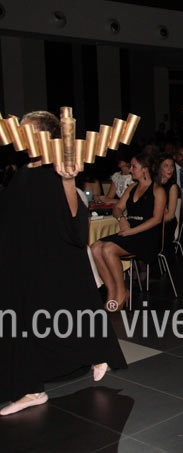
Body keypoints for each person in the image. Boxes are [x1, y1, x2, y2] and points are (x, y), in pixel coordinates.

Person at [0, 111, 126, 416]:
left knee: (53, 314)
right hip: (25, 261)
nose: (20, 136)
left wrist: (69, 181)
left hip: (54, 260)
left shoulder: (57, 168)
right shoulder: (24, 170)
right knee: (35, 321)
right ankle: (36, 385)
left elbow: (75, 221)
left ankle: (37, 386)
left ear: (45, 137)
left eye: (26, 131)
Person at [91, 152, 166, 311]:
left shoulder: (158, 190)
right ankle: (112, 291)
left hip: (147, 235)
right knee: (95, 247)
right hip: (129, 230)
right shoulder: (132, 187)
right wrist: (122, 219)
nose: (130, 170)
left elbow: (157, 219)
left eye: (134, 166)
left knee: (108, 249)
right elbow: (117, 208)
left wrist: (132, 231)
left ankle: (122, 292)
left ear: (145, 169)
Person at [156, 153, 179, 244]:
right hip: (155, 220)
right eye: (166, 166)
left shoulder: (173, 187)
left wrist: (153, 220)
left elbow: (171, 215)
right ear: (159, 167)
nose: (170, 169)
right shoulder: (153, 184)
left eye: (172, 166)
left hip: (166, 222)